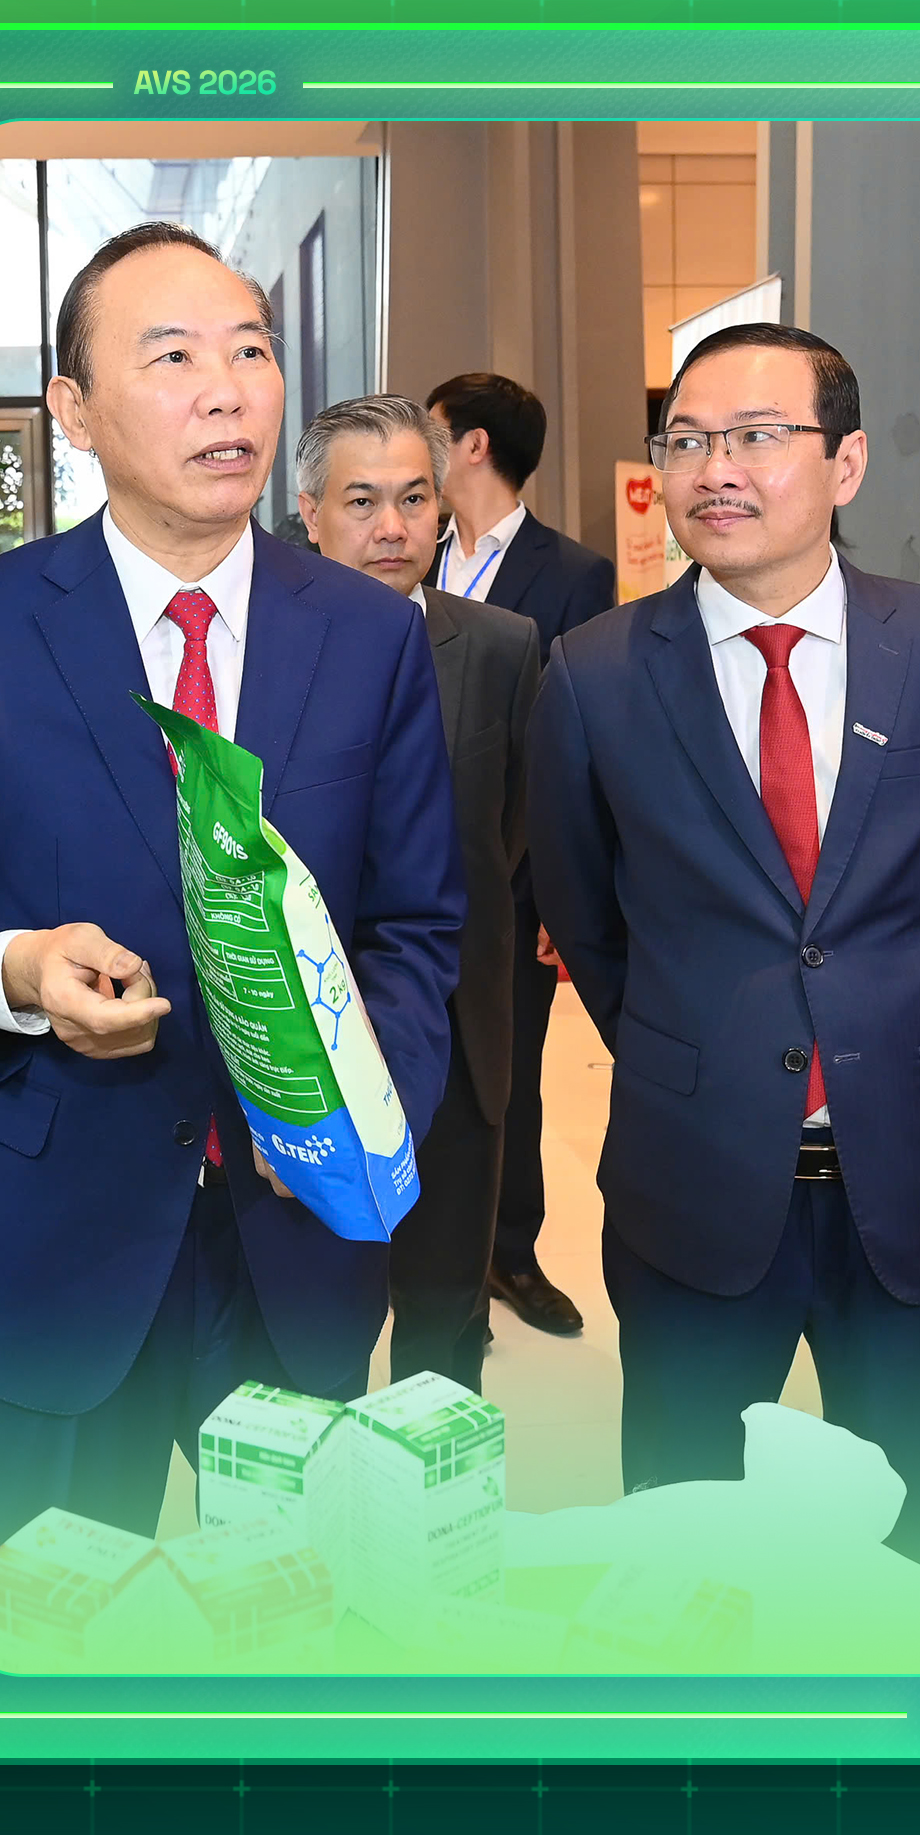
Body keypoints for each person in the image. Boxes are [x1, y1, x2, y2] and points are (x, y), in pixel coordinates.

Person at [0, 223, 463, 1567]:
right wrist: (15, 970)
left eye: (251, 350)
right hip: (55, 1245)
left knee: (295, 1627)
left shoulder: (369, 635)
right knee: (58, 1631)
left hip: (298, 1245)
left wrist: (360, 1111)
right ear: (73, 409)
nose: (229, 392)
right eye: (173, 357)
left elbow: (416, 925)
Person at [528, 323, 920, 1574]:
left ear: (845, 462)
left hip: (910, 1175)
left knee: (913, 1534)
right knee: (687, 1537)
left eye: (756, 436)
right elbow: (588, 916)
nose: (715, 470)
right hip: (695, 1177)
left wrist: (880, 1031)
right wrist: (702, 1046)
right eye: (686, 441)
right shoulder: (592, 674)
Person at [298, 393, 540, 1393]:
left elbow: (510, 831)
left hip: (455, 1034)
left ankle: (432, 1497)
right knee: (305, 1332)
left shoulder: (502, 647)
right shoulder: (260, 643)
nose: (391, 528)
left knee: (443, 1324)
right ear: (309, 512)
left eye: (413, 499)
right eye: (361, 501)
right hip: (296, 1043)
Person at [425, 372, 615, 1339]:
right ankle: (417, 1255)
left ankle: (507, 1251)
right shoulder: (408, 549)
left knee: (506, 1078)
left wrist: (553, 899)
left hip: (512, 880)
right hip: (406, 871)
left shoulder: (571, 572)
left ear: (472, 444)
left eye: (432, 429)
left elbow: (571, 746)